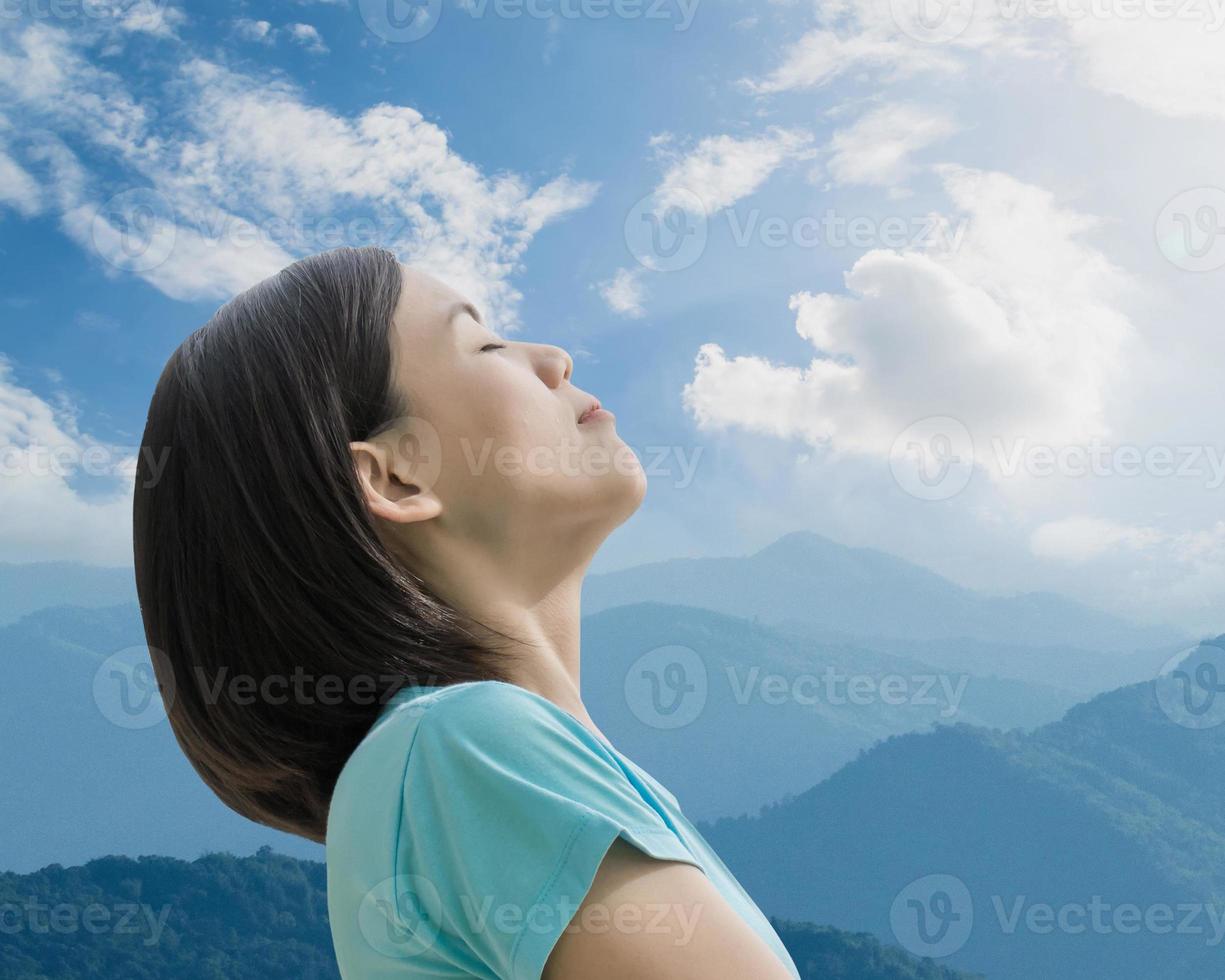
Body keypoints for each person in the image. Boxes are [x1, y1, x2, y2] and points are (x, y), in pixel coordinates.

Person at [132, 245, 802, 979]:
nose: (553, 358)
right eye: (484, 343)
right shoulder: (465, 747)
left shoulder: (455, 758)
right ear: (392, 475)